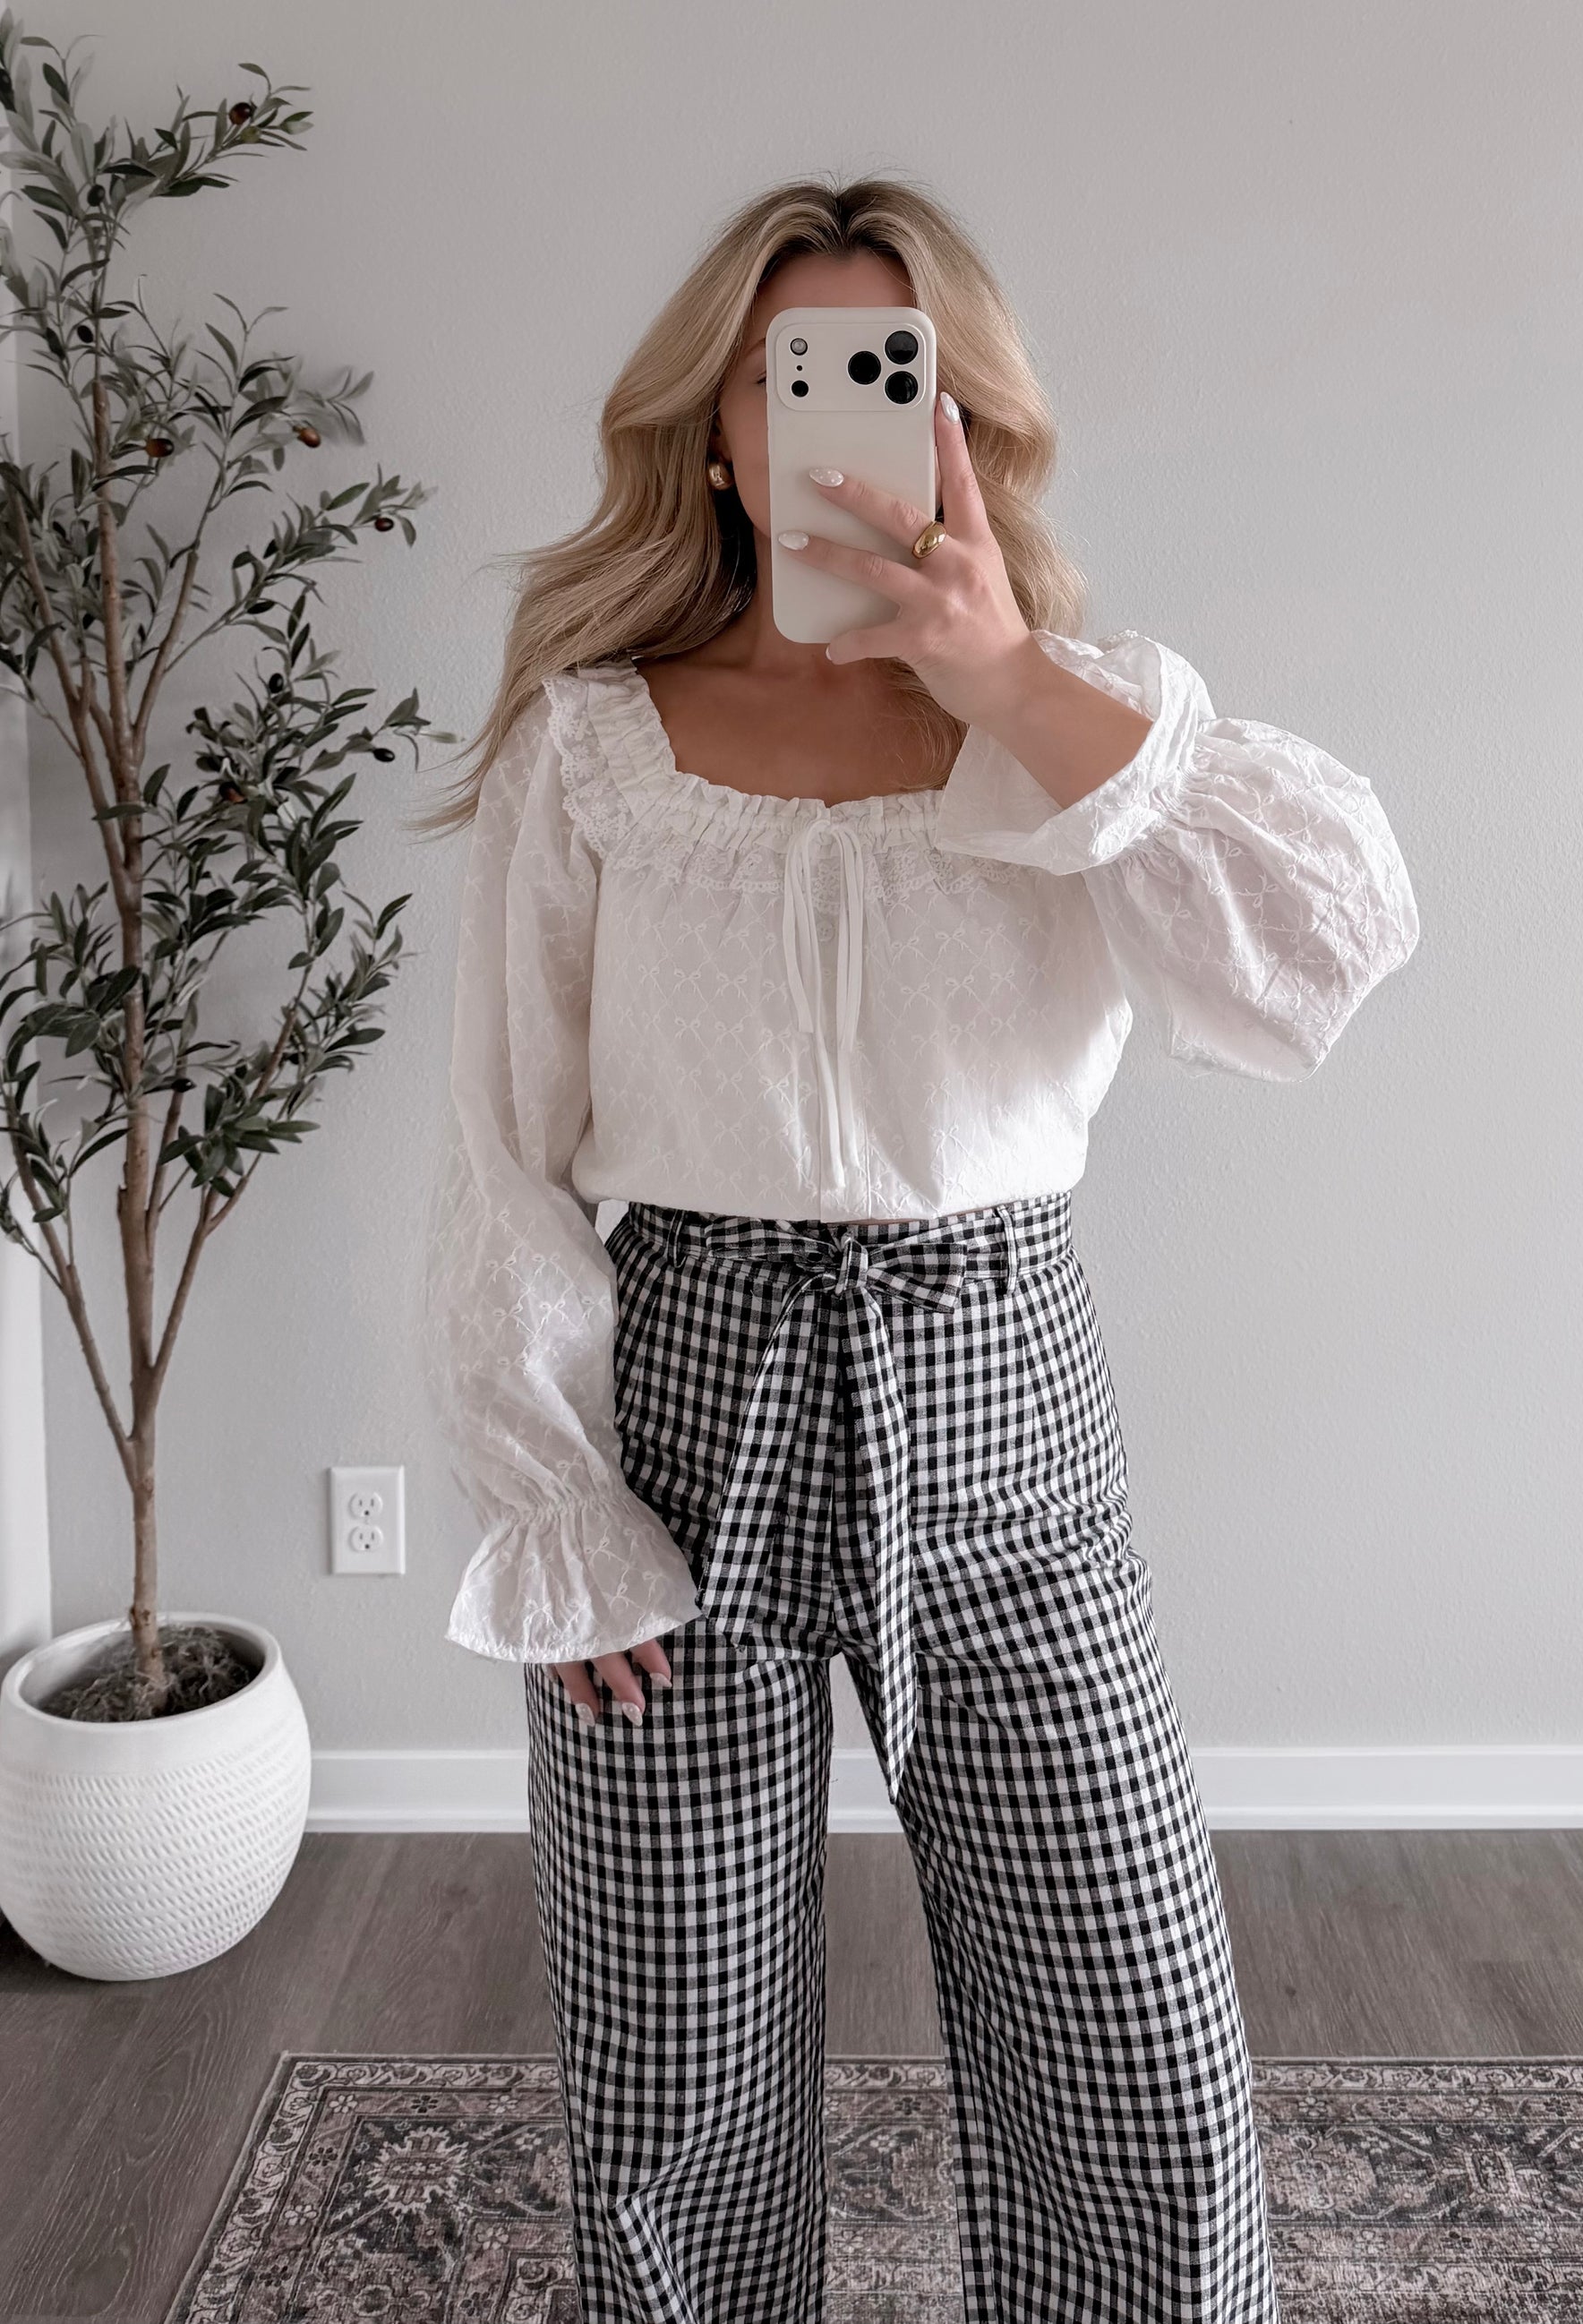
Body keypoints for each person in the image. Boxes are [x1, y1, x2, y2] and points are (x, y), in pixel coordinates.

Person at [418, 173, 1419, 2324]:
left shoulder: (1080, 720)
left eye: (896, 374)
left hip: (1005, 1395)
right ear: (717, 433)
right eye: (792, 376)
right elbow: (503, 1137)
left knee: (1134, 2060)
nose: (843, 421)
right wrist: (552, 1498)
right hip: (683, 1396)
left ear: (970, 422)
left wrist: (1000, 671)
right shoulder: (599, 740)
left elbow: (1318, 955)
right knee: (677, 2075)